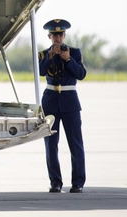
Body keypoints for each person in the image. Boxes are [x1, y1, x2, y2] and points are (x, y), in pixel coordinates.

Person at [38, 19, 87, 193]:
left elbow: (81, 74)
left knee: (75, 143)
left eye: (60, 35)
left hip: (70, 101)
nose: (58, 39)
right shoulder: (44, 54)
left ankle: (78, 182)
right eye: (54, 35)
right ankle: (55, 182)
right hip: (50, 101)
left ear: (64, 35)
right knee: (51, 145)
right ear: (49, 36)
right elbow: (40, 72)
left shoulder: (74, 52)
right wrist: (50, 57)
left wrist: (68, 60)